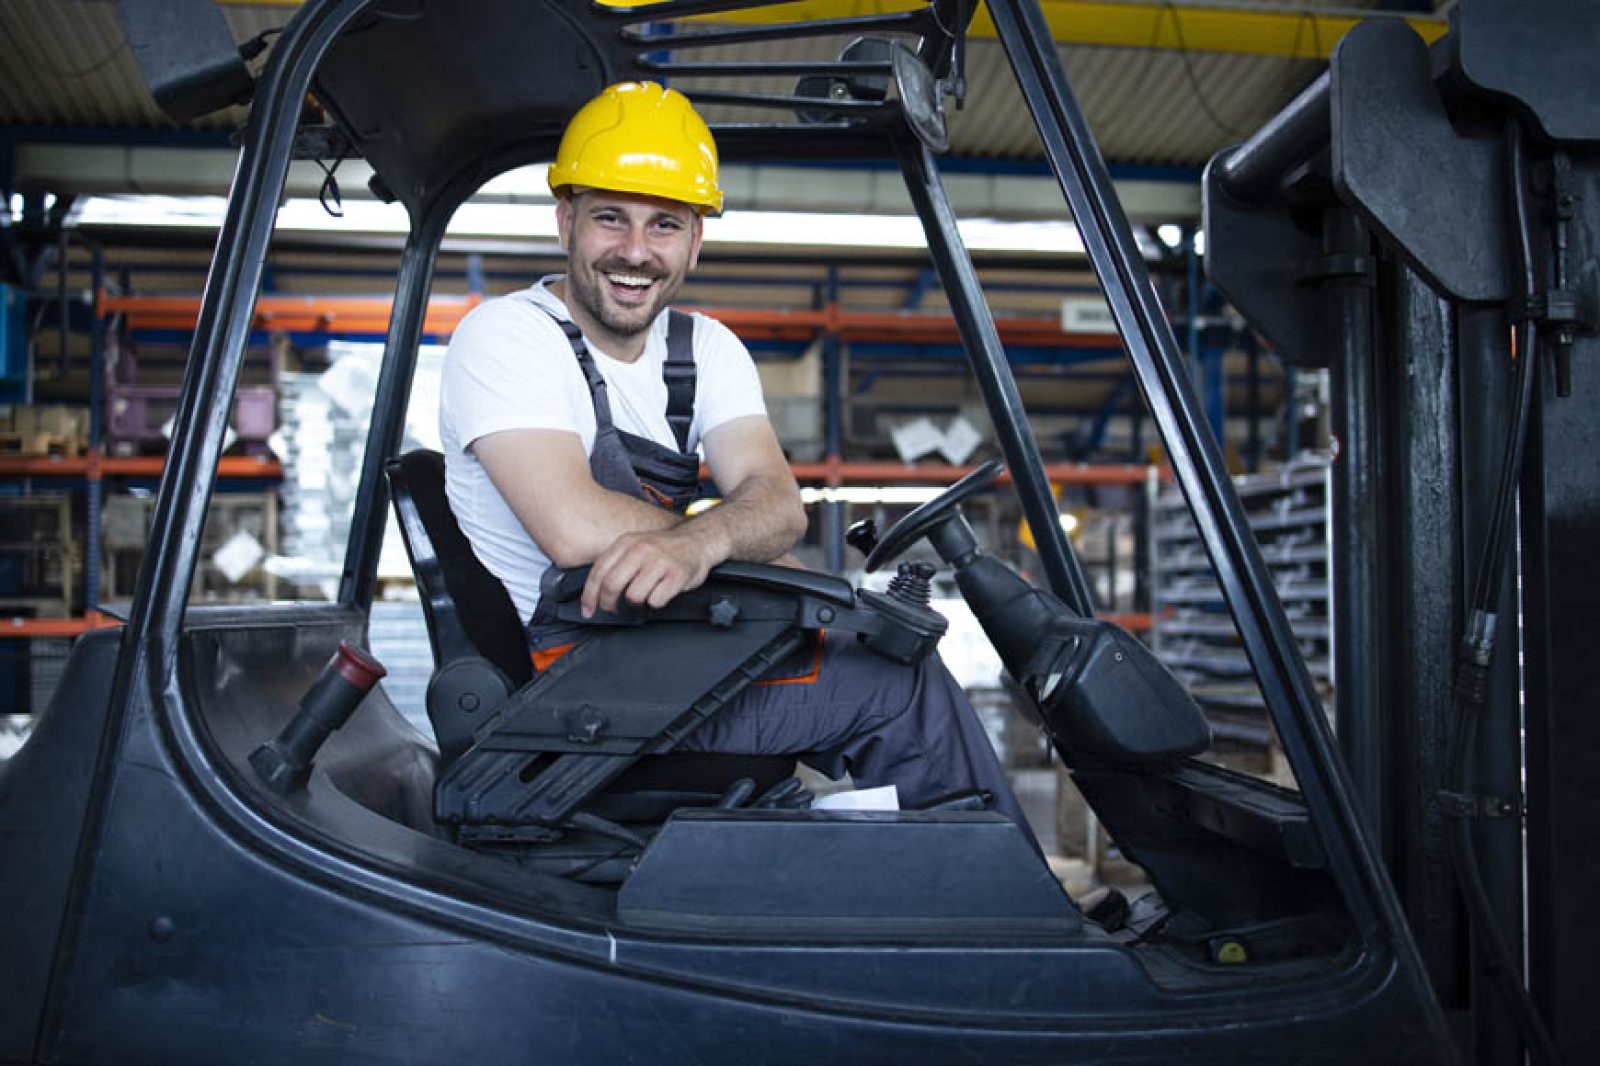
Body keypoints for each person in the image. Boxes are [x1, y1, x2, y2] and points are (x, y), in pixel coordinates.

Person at [439, 81, 1041, 854]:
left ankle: (920, 885)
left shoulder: (704, 348)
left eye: (665, 225)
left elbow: (779, 506)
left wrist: (700, 545)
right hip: (581, 687)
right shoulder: (510, 337)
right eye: (609, 218)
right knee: (901, 687)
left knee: (876, 647)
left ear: (695, 242)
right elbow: (572, 524)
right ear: (566, 222)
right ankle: (1009, 917)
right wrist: (726, 539)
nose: (634, 250)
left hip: (674, 646)